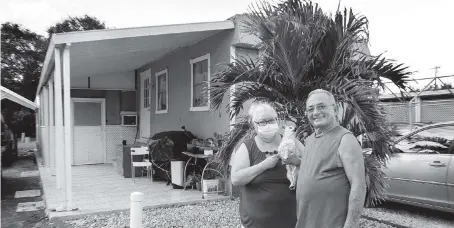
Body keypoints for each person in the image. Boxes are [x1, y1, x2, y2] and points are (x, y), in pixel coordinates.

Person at [292, 89, 367, 228]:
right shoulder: (309, 140)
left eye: (321, 106)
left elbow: (359, 185)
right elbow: (314, 170)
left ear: (335, 108)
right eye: (310, 109)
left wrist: (351, 225)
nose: (315, 112)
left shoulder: (345, 139)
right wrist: (294, 162)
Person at [230, 101, 302, 228]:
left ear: (277, 120)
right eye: (262, 122)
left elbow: (312, 169)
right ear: (254, 125)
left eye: (271, 120)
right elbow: (236, 179)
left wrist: (296, 161)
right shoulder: (247, 147)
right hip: (255, 224)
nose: (267, 125)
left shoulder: (292, 143)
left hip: (290, 222)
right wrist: (263, 165)